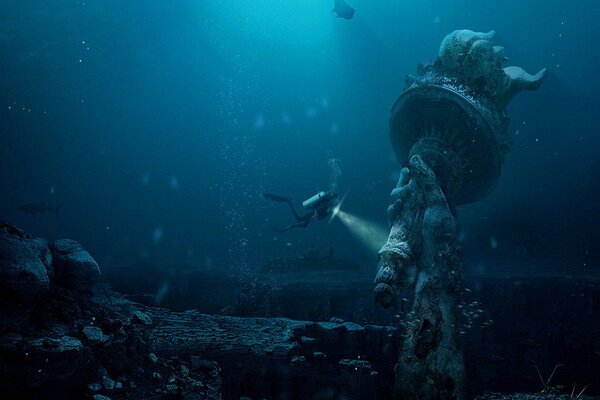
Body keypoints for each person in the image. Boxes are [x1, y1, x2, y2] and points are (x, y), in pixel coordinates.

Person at [263, 190, 339, 232]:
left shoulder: (330, 205)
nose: (336, 202)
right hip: (313, 211)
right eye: (336, 200)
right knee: (299, 219)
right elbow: (317, 205)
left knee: (304, 226)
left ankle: (291, 226)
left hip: (314, 214)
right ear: (333, 198)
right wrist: (315, 211)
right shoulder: (326, 200)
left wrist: (328, 212)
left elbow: (321, 217)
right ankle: (289, 202)